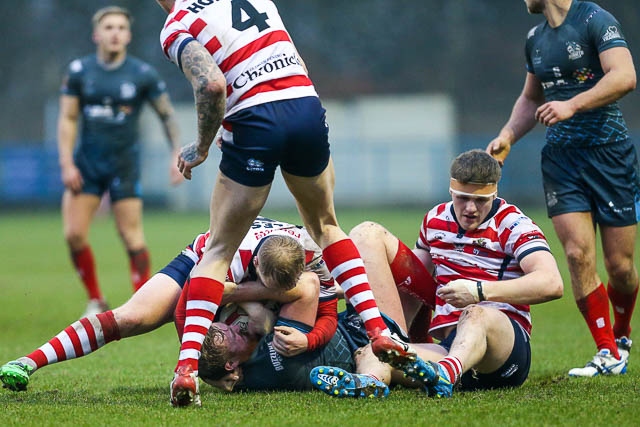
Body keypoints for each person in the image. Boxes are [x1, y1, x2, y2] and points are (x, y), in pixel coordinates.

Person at [154, 0, 414, 406]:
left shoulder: (176, 23)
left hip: (255, 118)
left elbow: (212, 85)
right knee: (326, 226)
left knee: (218, 249)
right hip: (305, 106)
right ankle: (378, 330)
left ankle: (185, 370)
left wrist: (203, 145)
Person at [318, 150, 564, 398]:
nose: (470, 208)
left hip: (502, 351)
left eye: (480, 200)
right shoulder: (435, 220)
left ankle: (444, 374)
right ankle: (368, 383)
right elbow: (410, 280)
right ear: (451, 191)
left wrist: (479, 291)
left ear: (495, 193)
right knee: (374, 351)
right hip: (447, 350)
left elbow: (551, 283)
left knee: (476, 314)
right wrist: (347, 287)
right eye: (463, 198)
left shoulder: (514, 225)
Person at [0, 217, 337, 397]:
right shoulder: (231, 258)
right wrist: (201, 370)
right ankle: (28, 361)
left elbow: (329, 309)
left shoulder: (312, 254)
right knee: (131, 317)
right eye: (267, 284)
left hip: (239, 288)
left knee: (261, 319)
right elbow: (186, 310)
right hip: (201, 261)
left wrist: (308, 338)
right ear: (258, 266)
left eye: (280, 288)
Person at [485, 0, 637, 377]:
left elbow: (625, 76)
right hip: (562, 162)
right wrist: (507, 136)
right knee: (576, 253)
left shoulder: (594, 20)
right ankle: (607, 351)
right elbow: (530, 98)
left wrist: (572, 105)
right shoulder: (535, 38)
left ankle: (622, 332)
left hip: (610, 157)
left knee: (620, 267)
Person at [58, 6, 183, 318]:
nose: (115, 33)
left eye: (121, 28)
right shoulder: (79, 72)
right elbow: (68, 118)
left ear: (128, 35)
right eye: (109, 27)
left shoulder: (142, 74)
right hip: (86, 165)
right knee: (73, 234)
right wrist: (66, 163)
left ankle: (144, 302)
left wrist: (176, 153)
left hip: (123, 165)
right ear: (96, 34)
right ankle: (96, 299)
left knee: (131, 235)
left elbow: (167, 115)